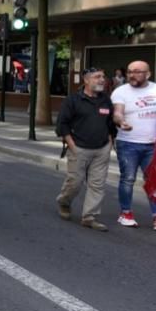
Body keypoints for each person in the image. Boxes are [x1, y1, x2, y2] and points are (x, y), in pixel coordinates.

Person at [55, 67, 116, 231]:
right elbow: (62, 124)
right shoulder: (73, 100)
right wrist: (72, 146)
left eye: (103, 76)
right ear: (86, 80)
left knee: (97, 185)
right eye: (97, 77)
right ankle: (64, 202)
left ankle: (89, 217)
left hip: (101, 149)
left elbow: (110, 124)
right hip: (79, 148)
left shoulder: (105, 100)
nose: (102, 79)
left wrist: (110, 143)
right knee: (75, 182)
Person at [110, 60, 156, 230]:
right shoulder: (121, 91)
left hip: (153, 145)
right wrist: (121, 122)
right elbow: (117, 113)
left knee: (155, 180)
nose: (132, 75)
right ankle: (125, 213)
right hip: (128, 143)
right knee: (128, 179)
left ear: (148, 74)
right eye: (129, 71)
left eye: (137, 71)